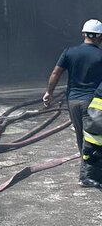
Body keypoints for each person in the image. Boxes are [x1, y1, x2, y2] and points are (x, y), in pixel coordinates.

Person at [43, 18, 102, 187]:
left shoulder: (69, 52)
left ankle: (87, 172)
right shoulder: (100, 55)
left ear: (84, 34)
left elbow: (55, 73)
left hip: (73, 101)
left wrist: (49, 92)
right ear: (100, 37)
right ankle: (87, 176)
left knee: (81, 136)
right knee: (94, 138)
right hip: (93, 102)